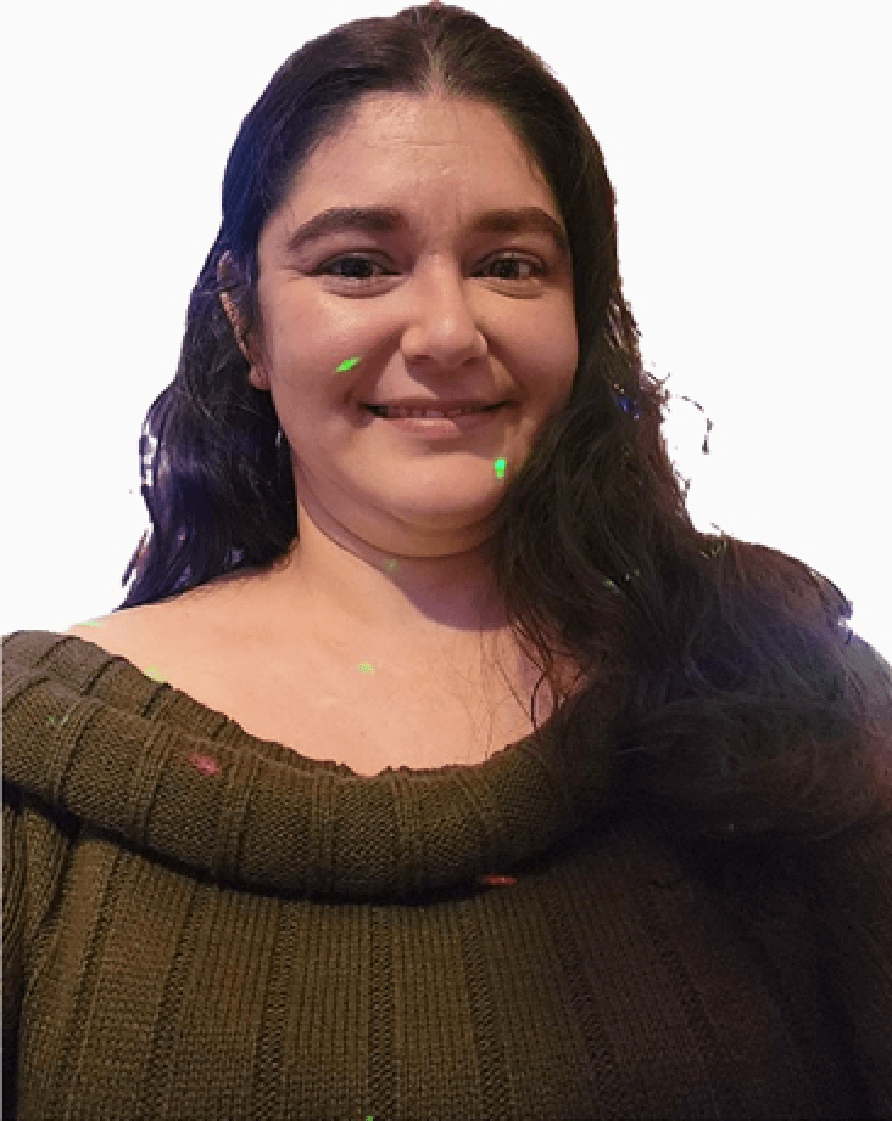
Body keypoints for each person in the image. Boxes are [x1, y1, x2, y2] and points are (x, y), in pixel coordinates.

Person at [3, 4, 891, 1118]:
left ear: (583, 313)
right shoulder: (35, 768)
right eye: (360, 263)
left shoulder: (785, 693)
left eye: (509, 264)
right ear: (245, 324)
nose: (444, 331)